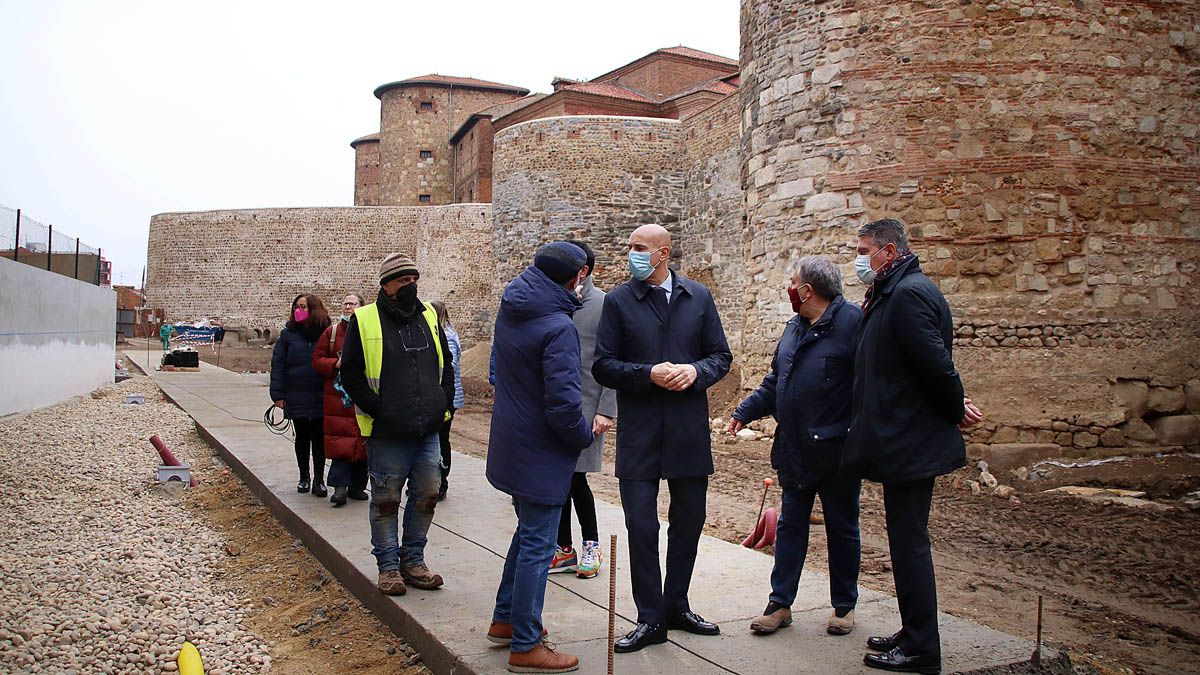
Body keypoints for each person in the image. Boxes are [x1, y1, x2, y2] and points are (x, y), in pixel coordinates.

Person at [842, 219, 983, 674]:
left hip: (911, 440)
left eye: (864, 250)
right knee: (905, 542)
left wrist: (954, 405)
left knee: (910, 545)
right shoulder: (894, 292)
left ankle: (922, 648)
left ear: (887, 251)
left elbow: (936, 365)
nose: (859, 259)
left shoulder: (907, 295)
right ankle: (913, 630)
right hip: (900, 438)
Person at [592, 224, 732, 653]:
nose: (630, 253)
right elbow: (604, 365)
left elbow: (720, 356)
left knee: (689, 522)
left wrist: (696, 372)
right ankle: (649, 617)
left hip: (689, 430)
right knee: (641, 525)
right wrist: (647, 373)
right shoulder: (618, 302)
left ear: (663, 253)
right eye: (630, 245)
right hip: (640, 431)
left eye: (639, 248)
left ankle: (677, 605)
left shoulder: (698, 297)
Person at [728, 256, 863, 638]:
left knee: (842, 527)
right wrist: (745, 411)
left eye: (793, 282)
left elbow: (871, 383)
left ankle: (844, 606)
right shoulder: (794, 327)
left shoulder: (853, 324)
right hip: (795, 448)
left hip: (837, 450)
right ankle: (780, 603)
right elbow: (777, 381)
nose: (789, 287)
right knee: (790, 527)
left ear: (807, 290)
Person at [486, 242, 595, 673]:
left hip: (512, 442)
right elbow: (565, 405)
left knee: (527, 534)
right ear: (575, 277)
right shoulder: (557, 325)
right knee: (540, 544)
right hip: (542, 450)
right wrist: (583, 436)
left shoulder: (514, 306)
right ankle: (526, 643)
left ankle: (505, 621)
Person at [340, 253, 454, 597]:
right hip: (388, 430)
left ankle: (413, 561)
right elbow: (352, 374)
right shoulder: (365, 319)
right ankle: (388, 567)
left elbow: (445, 363)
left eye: (414, 279)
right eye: (404, 280)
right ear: (387, 284)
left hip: (427, 427)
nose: (411, 286)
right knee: (386, 499)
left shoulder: (429, 315)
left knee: (428, 493)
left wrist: (442, 401)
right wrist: (380, 409)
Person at [549, 240, 617, 580]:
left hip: (587, 409)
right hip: (554, 408)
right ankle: (563, 548)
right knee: (557, 479)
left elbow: (613, 361)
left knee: (576, 479)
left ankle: (590, 544)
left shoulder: (603, 305)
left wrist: (606, 410)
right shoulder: (553, 301)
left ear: (583, 271)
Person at [270, 293, 332, 497]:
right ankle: (304, 477)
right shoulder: (288, 335)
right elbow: (278, 364)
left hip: (321, 393)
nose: (299, 310)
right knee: (302, 437)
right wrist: (278, 394)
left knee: (320, 439)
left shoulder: (327, 332)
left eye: (303, 307)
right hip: (296, 393)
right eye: (297, 306)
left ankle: (319, 479)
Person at [312, 293, 370, 507]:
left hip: (362, 394)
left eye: (352, 303)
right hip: (338, 398)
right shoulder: (332, 332)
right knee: (341, 443)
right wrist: (335, 364)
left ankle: (358, 486)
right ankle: (339, 487)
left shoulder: (368, 331)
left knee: (363, 442)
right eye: (345, 303)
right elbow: (317, 360)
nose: (348, 307)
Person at [429, 300, 463, 501]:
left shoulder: (447, 336)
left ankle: (442, 482)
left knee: (441, 439)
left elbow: (448, 365)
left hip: (447, 397)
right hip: (442, 395)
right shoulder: (442, 333)